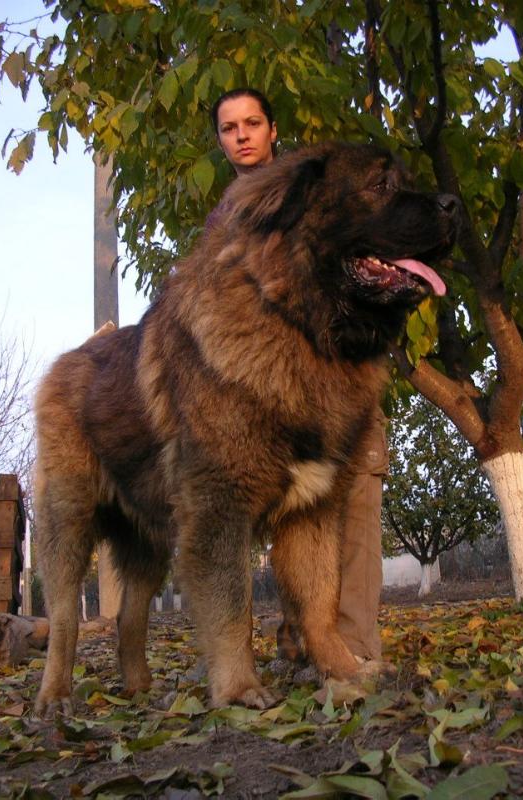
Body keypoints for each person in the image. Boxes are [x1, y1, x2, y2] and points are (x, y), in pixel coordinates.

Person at [210, 87, 388, 664]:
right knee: (283, 517)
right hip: (270, 390)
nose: (241, 135)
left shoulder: (316, 185)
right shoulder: (225, 216)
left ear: (272, 129)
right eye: (229, 127)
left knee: (354, 499)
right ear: (220, 141)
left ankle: (354, 644)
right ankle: (298, 645)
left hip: (341, 371)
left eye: (252, 123)